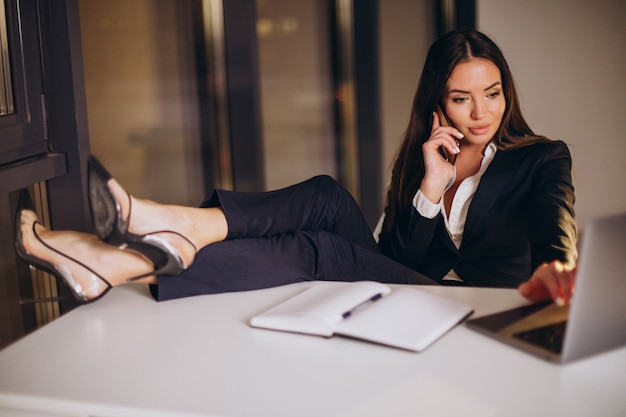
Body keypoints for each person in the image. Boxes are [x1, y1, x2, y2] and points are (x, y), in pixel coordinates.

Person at [14, 29, 577, 307]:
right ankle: (160, 241)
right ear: (438, 102)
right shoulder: (425, 156)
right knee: (328, 196)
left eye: (493, 93)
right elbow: (400, 258)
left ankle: (126, 259)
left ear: (507, 93)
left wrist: (559, 271)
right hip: (409, 281)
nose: (481, 112)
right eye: (462, 98)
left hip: (470, 307)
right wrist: (432, 184)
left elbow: (557, 228)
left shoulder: (541, 159)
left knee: (320, 249)